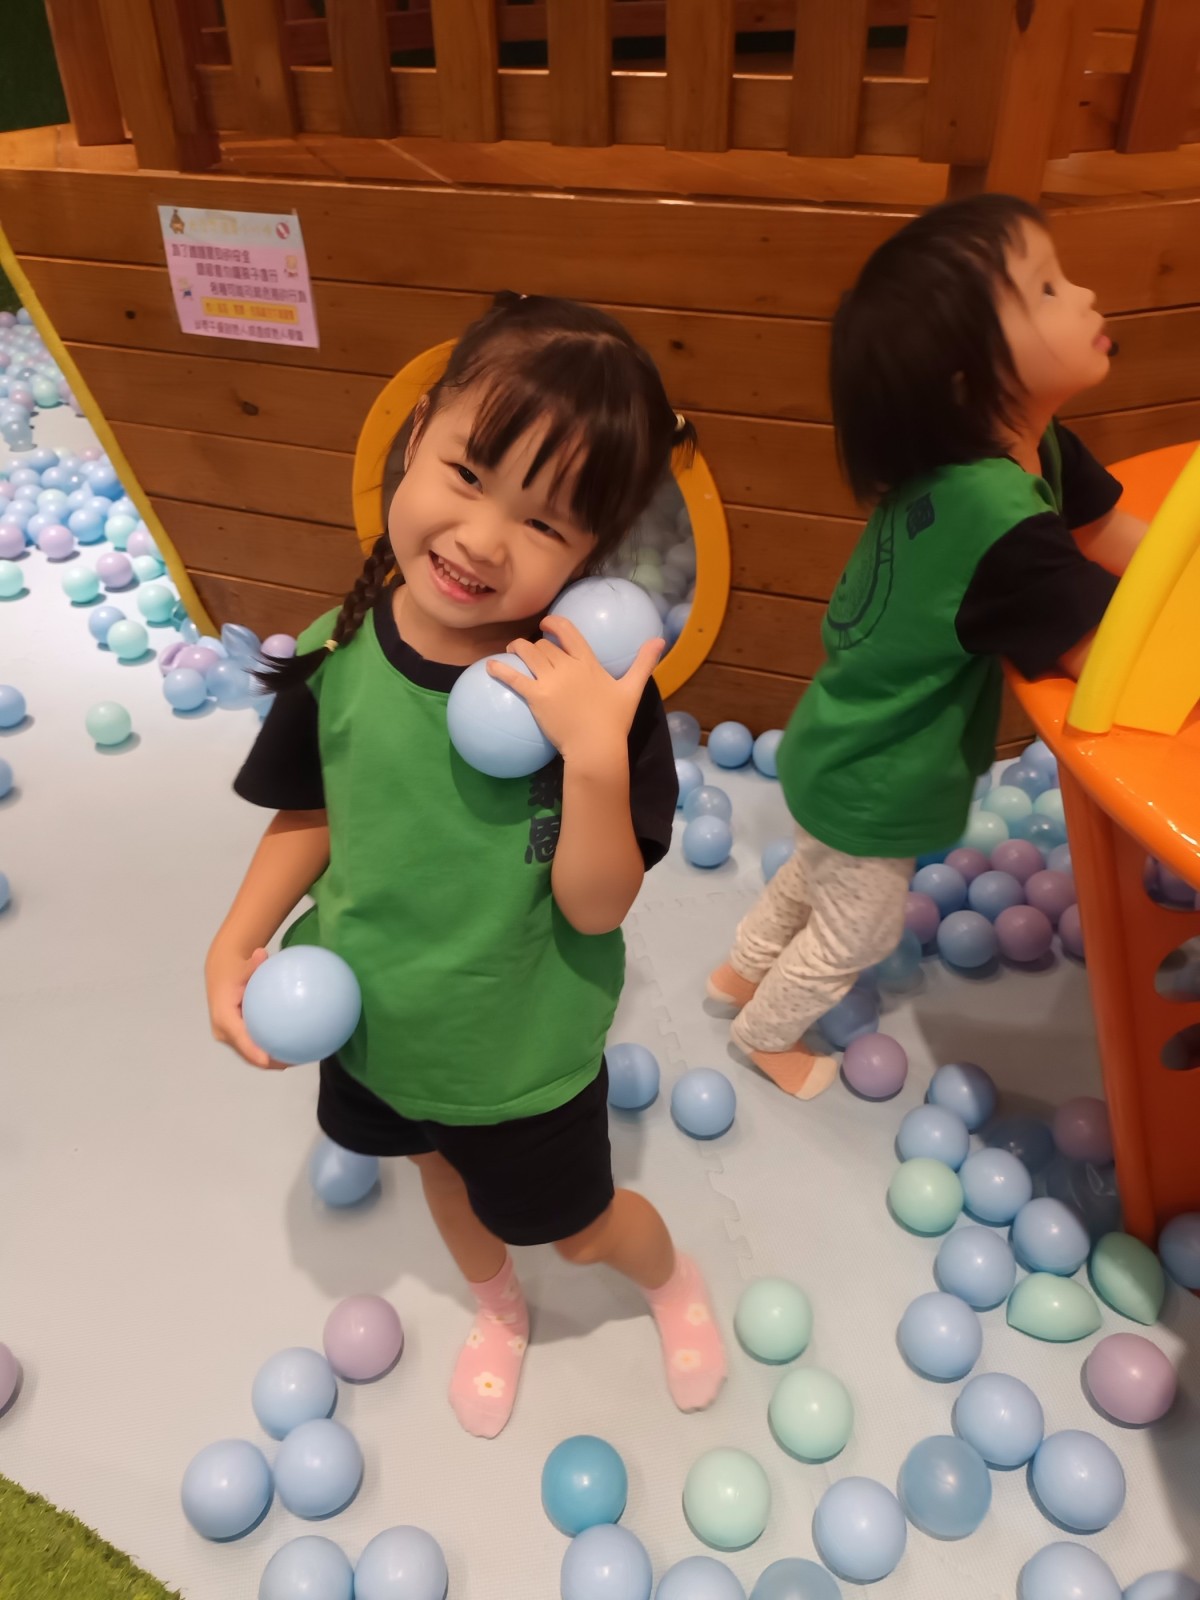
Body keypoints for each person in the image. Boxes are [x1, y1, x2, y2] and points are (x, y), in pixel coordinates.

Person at [206, 293, 726, 1438]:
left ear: (593, 554)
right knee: (440, 1176)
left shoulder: (587, 697)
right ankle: (499, 1308)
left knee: (579, 1228)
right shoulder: (345, 646)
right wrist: (238, 937)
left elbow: (596, 905)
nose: (484, 539)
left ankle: (671, 1278)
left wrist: (594, 757)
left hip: (520, 1055)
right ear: (418, 433)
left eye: (544, 523)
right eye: (468, 473)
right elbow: (315, 810)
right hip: (384, 1028)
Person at [708, 194, 1146, 1099]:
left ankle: (737, 973)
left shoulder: (1031, 449)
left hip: (835, 741)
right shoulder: (998, 526)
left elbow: (1110, 534)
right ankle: (765, 1034)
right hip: (876, 778)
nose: (1085, 295)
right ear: (966, 381)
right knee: (858, 929)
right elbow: (1099, 655)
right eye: (1047, 289)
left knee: (811, 875)